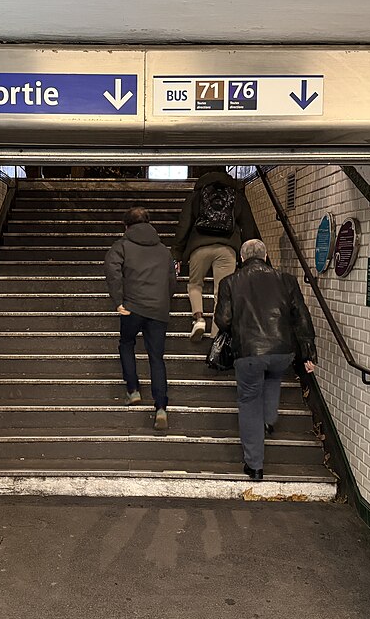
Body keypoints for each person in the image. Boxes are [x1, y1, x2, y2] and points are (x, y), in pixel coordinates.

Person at [214, 239, 318, 480]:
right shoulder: (286, 279)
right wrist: (307, 351)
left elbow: (223, 320)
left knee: (249, 401)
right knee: (272, 378)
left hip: (249, 353)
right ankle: (269, 420)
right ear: (266, 255)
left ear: (241, 258)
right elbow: (301, 316)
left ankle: (255, 465)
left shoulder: (230, 282)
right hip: (282, 351)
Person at [105, 206, 178, 431]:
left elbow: (113, 272)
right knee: (156, 358)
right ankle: (161, 407)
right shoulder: (164, 250)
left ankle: (133, 390)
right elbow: (172, 280)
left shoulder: (121, 246)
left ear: (126, 226)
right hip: (158, 310)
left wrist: (118, 300)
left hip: (132, 307)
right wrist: (163, 301)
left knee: (127, 343)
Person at [172, 170, 260, 342]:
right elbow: (248, 225)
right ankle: (216, 333)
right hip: (227, 248)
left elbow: (184, 224)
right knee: (222, 290)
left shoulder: (197, 195)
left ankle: (198, 319)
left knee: (195, 284)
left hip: (199, 247)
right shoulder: (236, 196)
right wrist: (248, 256)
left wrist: (177, 253)